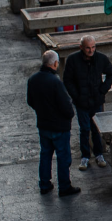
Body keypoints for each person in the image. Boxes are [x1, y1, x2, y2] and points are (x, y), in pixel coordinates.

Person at [26, 51, 80, 197]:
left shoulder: (33, 79)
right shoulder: (55, 82)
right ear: (55, 63)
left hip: (43, 125)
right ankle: (64, 186)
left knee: (45, 155)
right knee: (63, 157)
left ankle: (44, 184)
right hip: (59, 127)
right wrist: (69, 115)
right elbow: (66, 107)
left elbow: (30, 101)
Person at [62, 35, 112, 171]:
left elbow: (111, 74)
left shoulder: (101, 58)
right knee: (84, 129)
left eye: (93, 47)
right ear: (81, 47)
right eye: (88, 48)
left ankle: (99, 155)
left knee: (97, 129)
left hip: (96, 100)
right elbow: (67, 80)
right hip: (82, 102)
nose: (91, 50)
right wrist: (77, 96)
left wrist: (103, 90)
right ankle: (85, 156)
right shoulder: (73, 60)